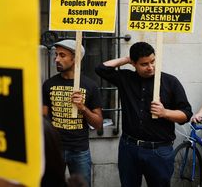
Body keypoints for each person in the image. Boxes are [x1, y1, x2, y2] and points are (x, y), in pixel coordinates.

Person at [95, 41, 192, 187]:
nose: (150, 67)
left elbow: (186, 115)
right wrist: (126, 59)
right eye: (144, 64)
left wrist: (165, 112)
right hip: (129, 148)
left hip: (159, 151)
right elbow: (101, 69)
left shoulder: (170, 82)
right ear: (134, 64)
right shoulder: (125, 78)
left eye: (153, 61)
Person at [42, 39, 103, 187]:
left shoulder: (90, 86)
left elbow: (98, 123)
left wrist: (82, 108)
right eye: (56, 55)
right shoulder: (49, 84)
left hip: (79, 150)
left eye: (62, 55)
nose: (56, 59)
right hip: (54, 149)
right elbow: (42, 119)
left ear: (75, 58)